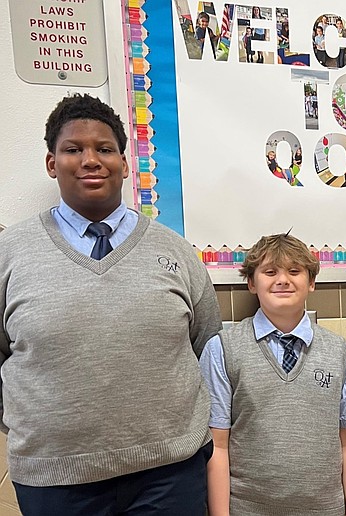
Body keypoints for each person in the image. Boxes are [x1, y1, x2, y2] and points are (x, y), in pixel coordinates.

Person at [0, 93, 221, 514]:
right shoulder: (9, 252)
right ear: (52, 164)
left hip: (170, 476)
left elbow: (205, 347)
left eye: (104, 149)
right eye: (73, 150)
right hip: (56, 481)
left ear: (124, 163)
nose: (90, 160)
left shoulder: (175, 251)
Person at [200, 233, 346, 515]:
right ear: (252, 283)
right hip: (247, 509)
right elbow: (218, 445)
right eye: (270, 271)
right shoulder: (223, 349)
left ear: (311, 281)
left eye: (294, 271)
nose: (283, 280)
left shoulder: (339, 351)